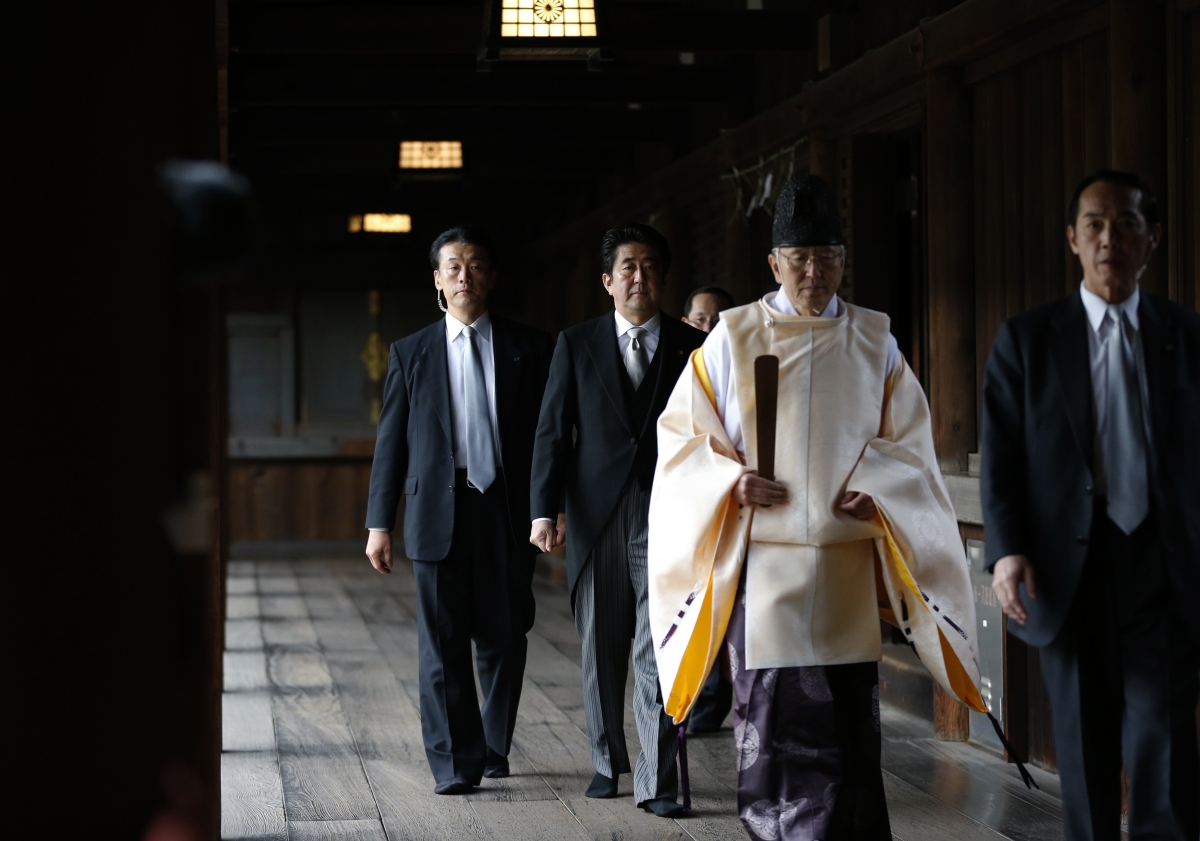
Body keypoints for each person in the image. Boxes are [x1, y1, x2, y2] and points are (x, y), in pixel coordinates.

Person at [647, 174, 987, 841]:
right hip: (767, 566)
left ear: (842, 260)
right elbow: (682, 439)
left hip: (844, 564)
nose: (814, 271)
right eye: (799, 258)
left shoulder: (875, 340)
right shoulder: (733, 337)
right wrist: (730, 481)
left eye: (827, 257)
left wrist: (882, 488)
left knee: (848, 720)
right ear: (774, 264)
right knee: (772, 720)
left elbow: (909, 443)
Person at [983, 171, 1200, 841]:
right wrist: (1007, 550)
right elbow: (1004, 456)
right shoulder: (1028, 339)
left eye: (1128, 223)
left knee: (1164, 751)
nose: (1111, 238)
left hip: (1163, 568)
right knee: (1084, 756)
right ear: (1073, 239)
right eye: (1096, 224)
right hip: (1066, 570)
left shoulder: (1187, 336)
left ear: (1152, 237)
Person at [364, 226, 554, 795]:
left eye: (474, 266)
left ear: (491, 277)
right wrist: (379, 523)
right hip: (435, 513)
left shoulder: (530, 347)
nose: (463, 276)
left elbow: (550, 438)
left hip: (507, 508)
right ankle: (454, 764)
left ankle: (493, 747)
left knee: (506, 633)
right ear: (438, 281)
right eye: (452, 267)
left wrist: (551, 507)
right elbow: (390, 443)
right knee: (442, 644)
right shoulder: (411, 352)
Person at [529, 223, 706, 817]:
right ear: (608, 281)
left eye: (650, 266)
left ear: (663, 277)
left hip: (670, 512)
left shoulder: (692, 346)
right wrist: (542, 510)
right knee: (601, 643)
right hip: (594, 513)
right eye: (627, 267)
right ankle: (608, 763)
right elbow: (553, 433)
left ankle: (656, 779)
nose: (639, 277)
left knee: (659, 643)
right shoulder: (575, 344)